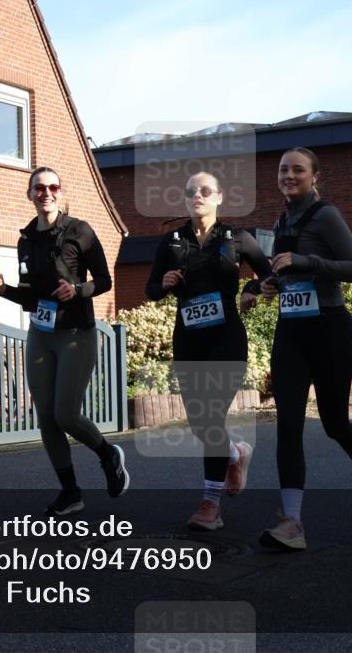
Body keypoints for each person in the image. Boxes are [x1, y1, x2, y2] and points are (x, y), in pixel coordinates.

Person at [257, 147, 352, 551]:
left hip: (330, 328)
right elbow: (292, 272)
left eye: (298, 170)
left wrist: (305, 260)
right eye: (283, 170)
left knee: (333, 423)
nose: (289, 175)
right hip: (291, 331)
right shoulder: (281, 221)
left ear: (314, 177)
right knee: (288, 424)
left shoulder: (326, 215)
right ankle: (292, 522)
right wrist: (271, 284)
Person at [0, 166, 129, 516]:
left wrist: (78, 290)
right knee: (46, 417)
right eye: (38, 188)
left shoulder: (80, 230)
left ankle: (108, 454)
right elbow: (32, 297)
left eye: (52, 187)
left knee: (66, 414)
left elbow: (106, 281)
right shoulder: (26, 239)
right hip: (41, 333)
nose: (45, 193)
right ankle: (70, 492)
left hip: (76, 333)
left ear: (60, 192)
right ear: (29, 194)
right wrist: (3, 289)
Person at [146, 172, 274, 531]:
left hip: (226, 340)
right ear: (185, 200)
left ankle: (210, 504)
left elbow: (268, 275)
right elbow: (151, 289)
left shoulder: (238, 238)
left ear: (219, 197)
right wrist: (165, 284)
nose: (197, 196)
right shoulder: (171, 240)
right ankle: (236, 454)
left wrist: (251, 288)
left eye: (205, 191)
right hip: (188, 341)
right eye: (191, 192)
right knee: (200, 422)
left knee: (211, 416)